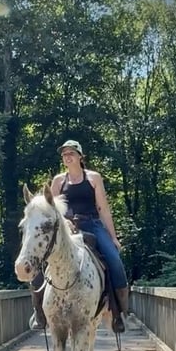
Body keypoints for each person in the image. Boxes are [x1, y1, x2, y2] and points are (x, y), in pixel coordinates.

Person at [30, 139, 129, 333]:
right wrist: (63, 222)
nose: (67, 157)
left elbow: (103, 209)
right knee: (40, 260)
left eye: (71, 153)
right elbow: (53, 210)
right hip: (67, 228)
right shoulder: (58, 180)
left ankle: (119, 312)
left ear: (80, 156)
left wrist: (114, 237)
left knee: (114, 260)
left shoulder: (93, 178)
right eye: (64, 154)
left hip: (92, 223)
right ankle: (39, 313)